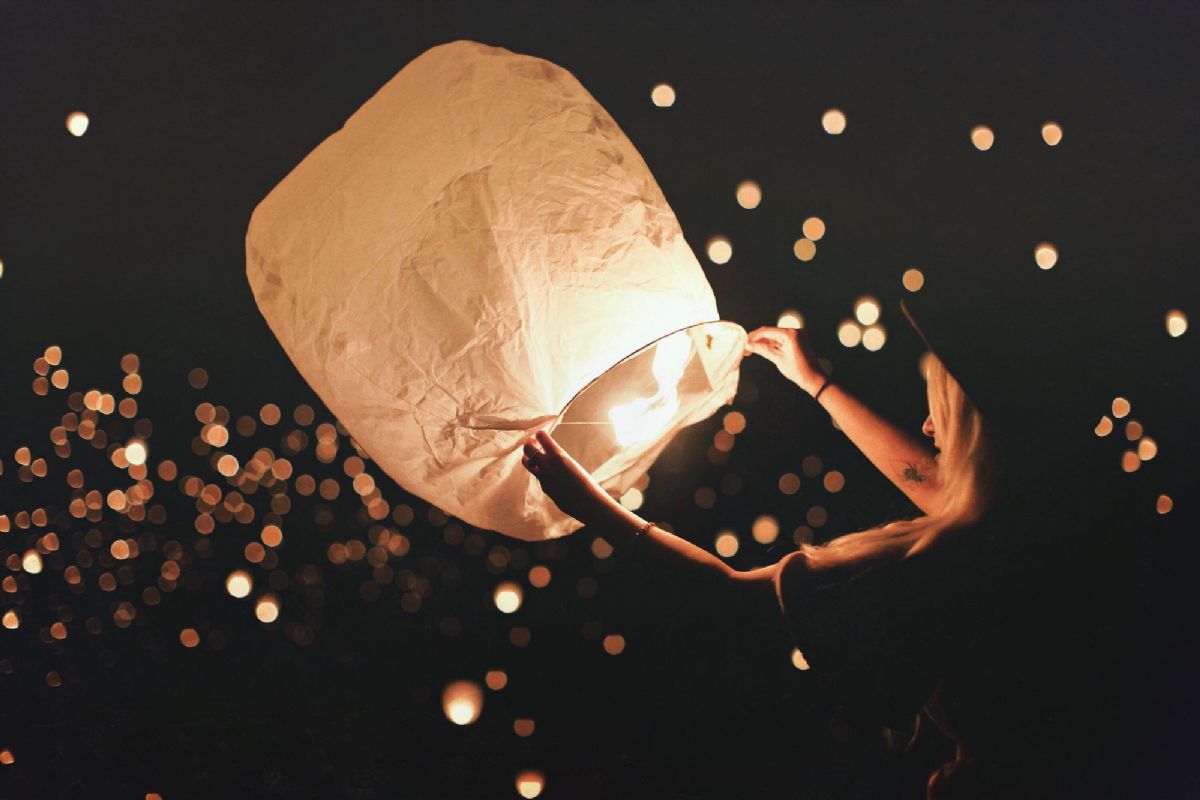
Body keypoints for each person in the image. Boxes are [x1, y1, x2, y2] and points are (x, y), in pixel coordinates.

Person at [522, 301, 1128, 798]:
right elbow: (943, 483)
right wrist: (819, 384)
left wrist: (595, 507)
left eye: (940, 407)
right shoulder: (1034, 526)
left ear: (977, 430)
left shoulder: (938, 567)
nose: (925, 426)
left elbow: (732, 600)